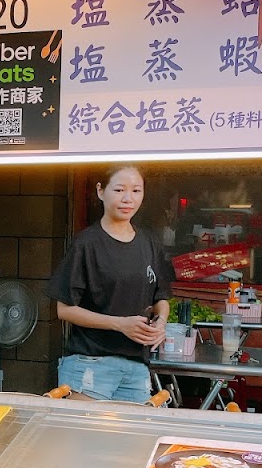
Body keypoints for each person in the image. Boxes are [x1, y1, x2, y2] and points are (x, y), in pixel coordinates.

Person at [49, 163, 171, 403]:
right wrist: (120, 324)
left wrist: (161, 323)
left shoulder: (149, 243)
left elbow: (161, 297)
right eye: (119, 190)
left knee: (134, 429)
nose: (128, 199)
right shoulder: (86, 244)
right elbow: (64, 310)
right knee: (85, 429)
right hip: (90, 364)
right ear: (100, 191)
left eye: (136, 190)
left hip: (136, 368)